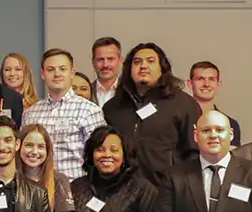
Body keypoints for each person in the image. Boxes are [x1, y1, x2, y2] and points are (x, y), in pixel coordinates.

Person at [102, 42, 200, 187]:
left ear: (162, 68)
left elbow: (194, 153)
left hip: (167, 192)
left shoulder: (184, 104)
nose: (143, 66)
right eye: (137, 62)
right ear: (129, 69)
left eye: (151, 61)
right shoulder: (112, 108)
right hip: (121, 192)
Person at [23, 49, 106, 180]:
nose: (57, 74)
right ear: (43, 74)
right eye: (50, 69)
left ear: (72, 72)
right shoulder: (30, 114)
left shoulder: (89, 111)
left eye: (62, 69)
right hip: (37, 189)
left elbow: (101, 155)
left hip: (76, 189)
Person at [188, 61, 242, 147]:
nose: (206, 84)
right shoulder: (179, 121)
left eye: (211, 79)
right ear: (190, 84)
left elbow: (232, 158)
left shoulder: (230, 124)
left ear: (218, 84)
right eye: (200, 79)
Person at [91, 37, 123, 107]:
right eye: (100, 59)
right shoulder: (85, 92)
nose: (105, 65)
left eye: (110, 59)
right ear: (93, 62)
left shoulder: (130, 92)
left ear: (120, 60)